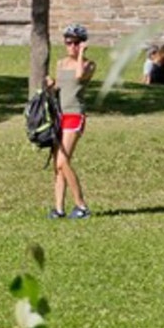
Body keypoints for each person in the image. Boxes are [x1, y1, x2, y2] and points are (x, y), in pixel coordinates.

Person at [50, 23, 95, 219]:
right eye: (68, 42)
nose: (71, 46)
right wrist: (51, 85)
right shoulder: (60, 63)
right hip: (59, 115)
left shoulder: (88, 64)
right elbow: (58, 89)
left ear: (82, 44)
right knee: (57, 165)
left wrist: (80, 55)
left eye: (76, 43)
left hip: (75, 115)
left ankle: (81, 206)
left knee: (63, 161)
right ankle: (59, 209)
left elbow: (78, 77)